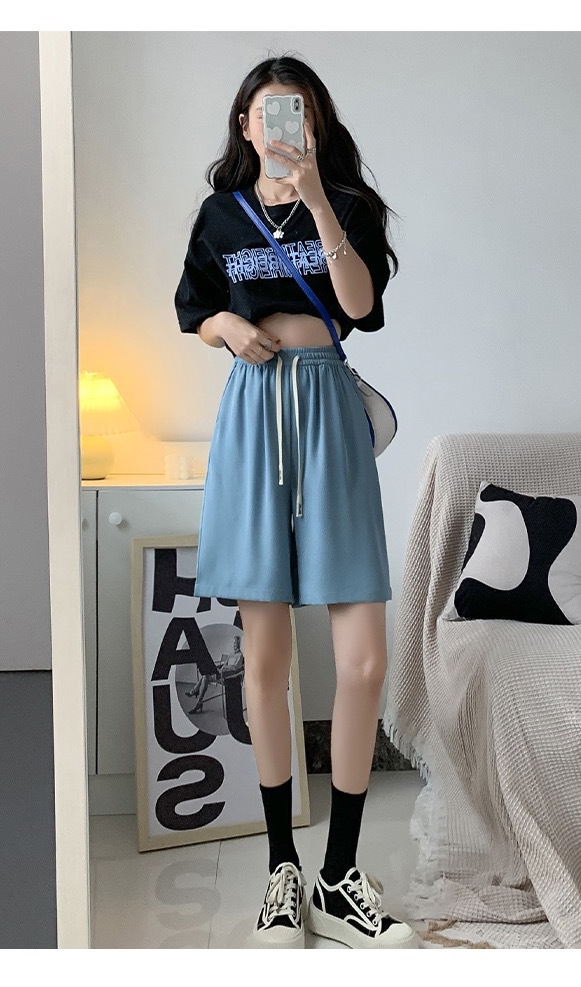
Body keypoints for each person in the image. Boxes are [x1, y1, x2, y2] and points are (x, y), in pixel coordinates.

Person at [174, 54, 417, 950]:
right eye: (268, 113)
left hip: (326, 410)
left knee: (363, 661)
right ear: (244, 125)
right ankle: (283, 870)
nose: (282, 126)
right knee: (265, 660)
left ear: (315, 124)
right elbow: (194, 306)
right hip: (252, 414)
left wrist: (315, 197)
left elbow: (361, 306)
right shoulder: (220, 215)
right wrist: (227, 326)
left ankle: (340, 874)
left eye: (299, 112)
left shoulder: (347, 205)